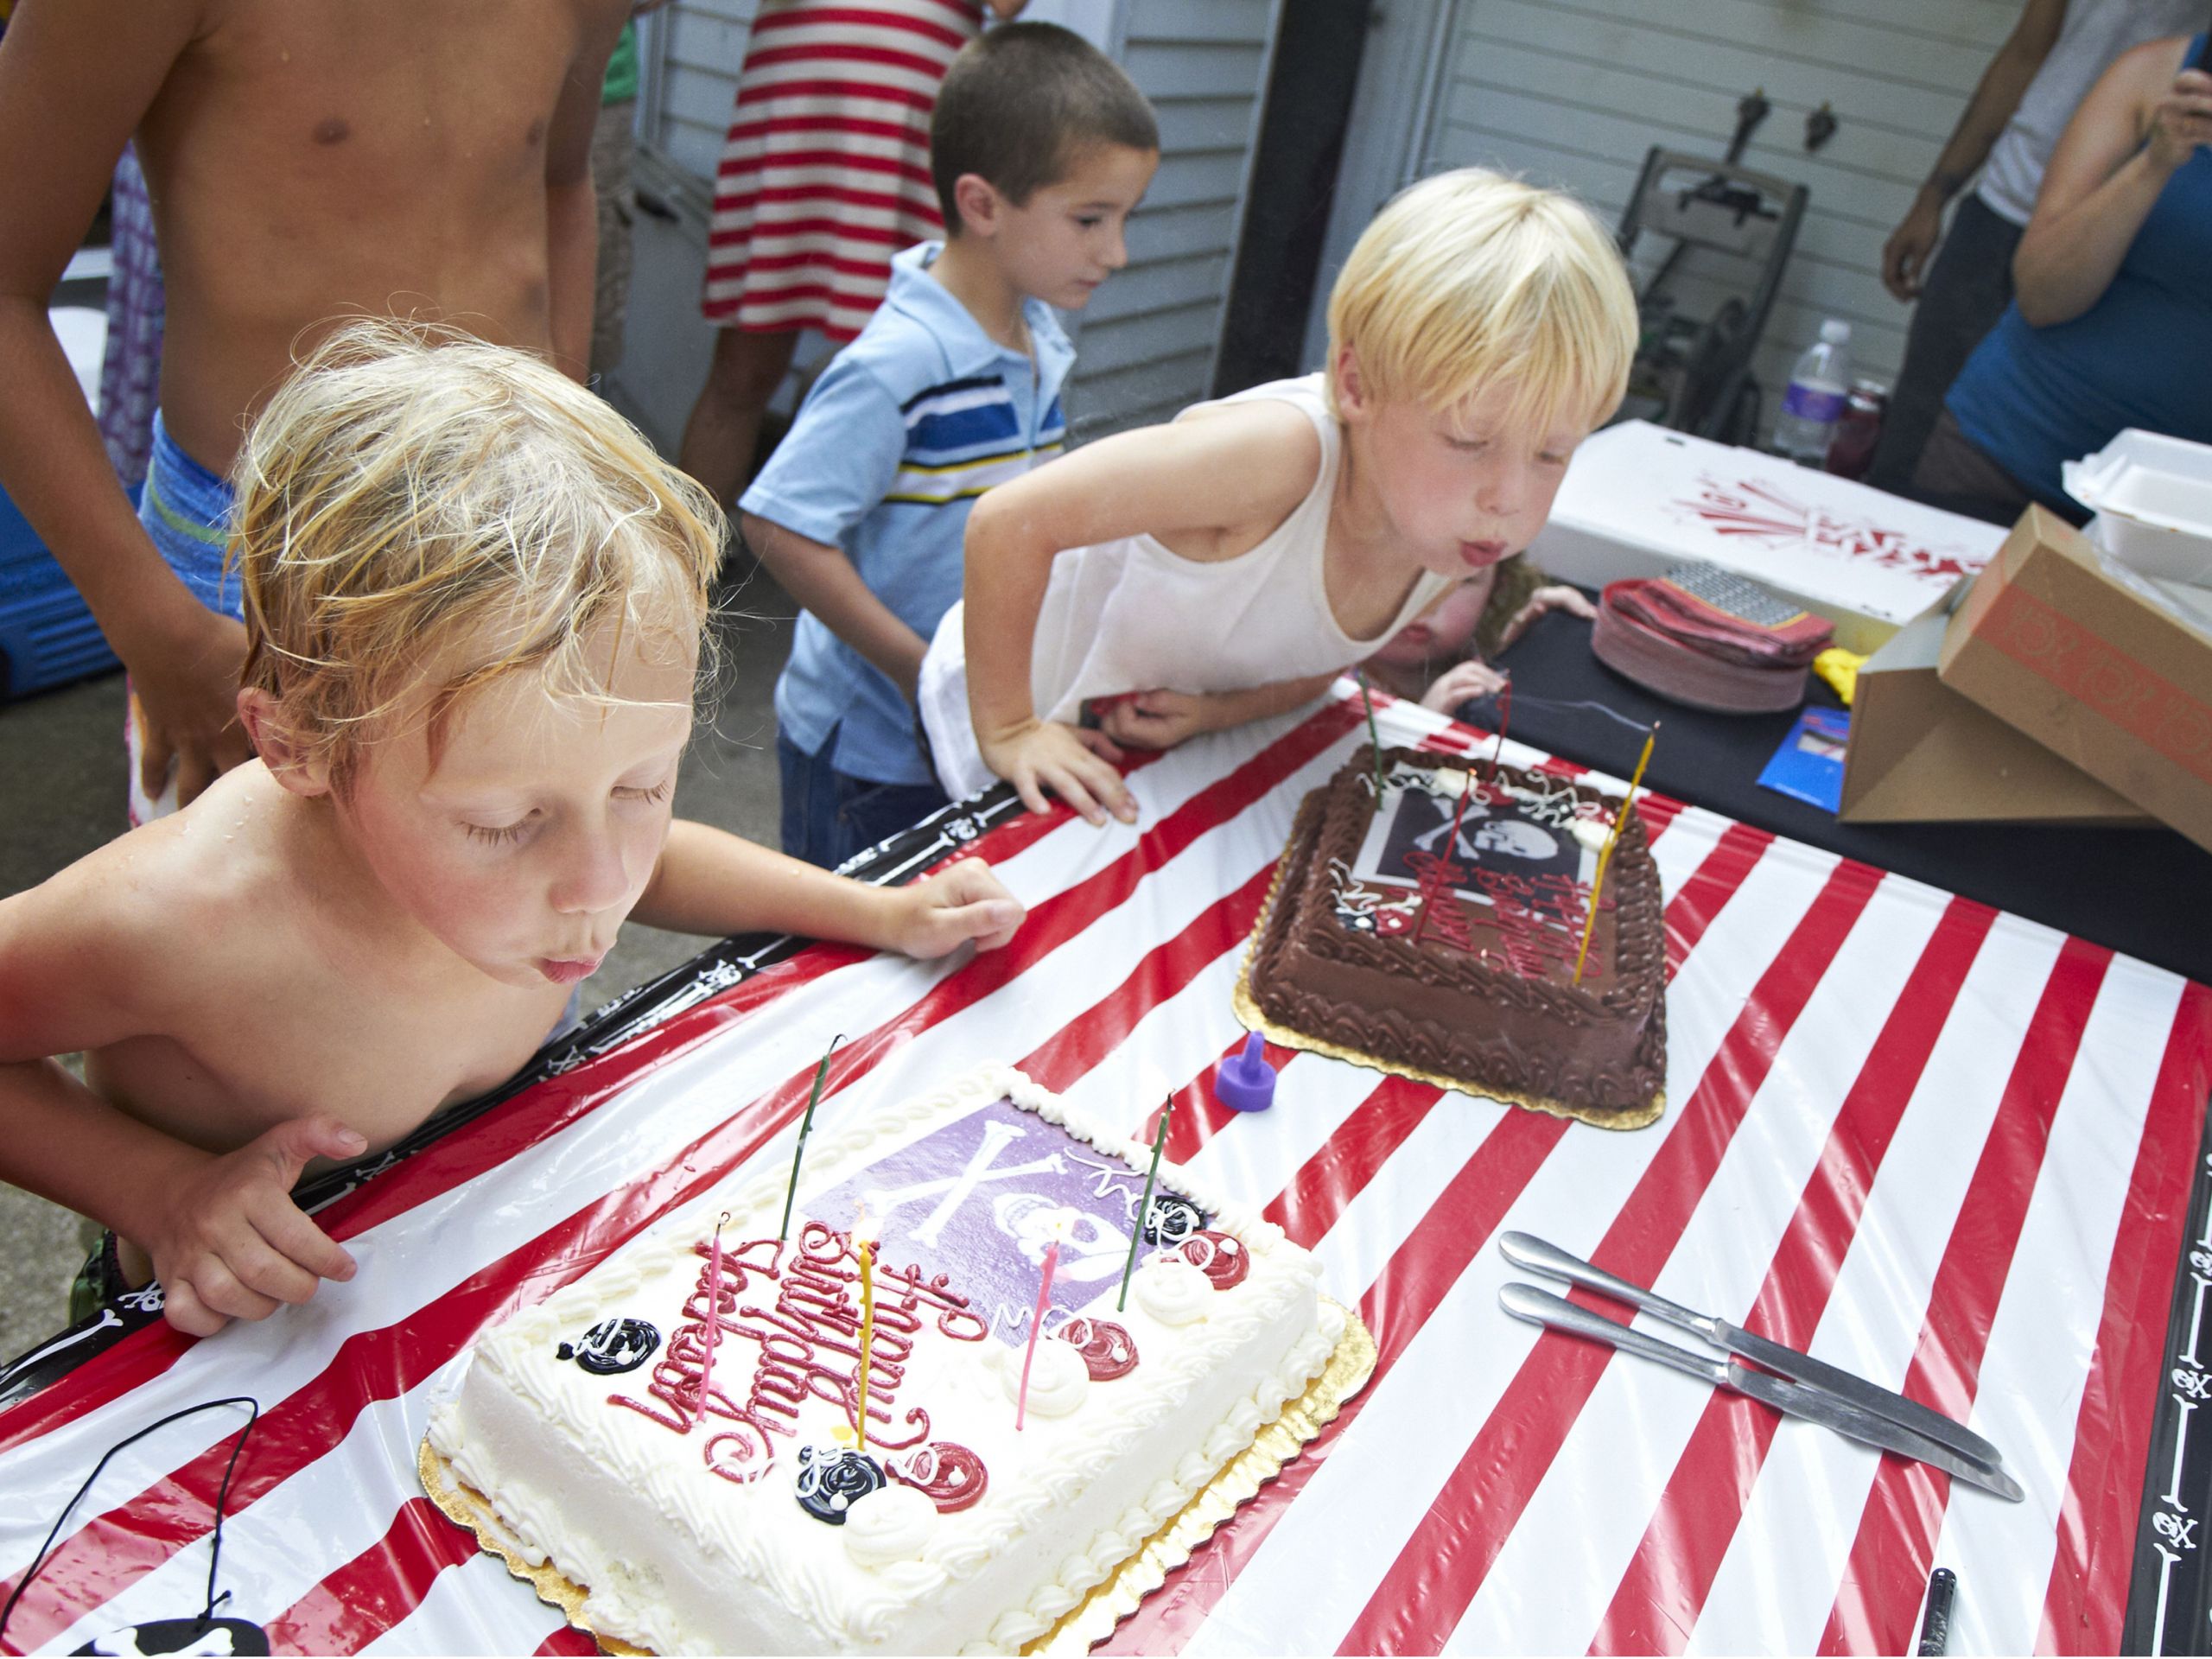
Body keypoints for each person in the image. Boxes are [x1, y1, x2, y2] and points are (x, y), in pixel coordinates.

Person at [0, 323, 1027, 1338]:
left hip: (465, 1261)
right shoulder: (181, 919)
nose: (601, 883)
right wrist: (162, 1194)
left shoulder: (568, 841)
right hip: (224, 1325)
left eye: (641, 785)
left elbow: (653, 858)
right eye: (503, 824)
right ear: (300, 744)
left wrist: (878, 910)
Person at [0, 0, 632, 823]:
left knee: (505, 913)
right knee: (238, 934)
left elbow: (556, 182)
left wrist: (569, 465)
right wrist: (160, 632)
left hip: (512, 538)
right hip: (249, 568)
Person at [915, 168, 1638, 827]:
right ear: (1355, 386)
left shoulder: (1450, 529)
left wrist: (1216, 713)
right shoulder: (1272, 459)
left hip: (1113, 754)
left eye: (1552, 452)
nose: (1509, 499)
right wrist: (1008, 728)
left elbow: (1320, 657)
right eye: (1467, 440)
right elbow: (1011, 519)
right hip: (983, 723)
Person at [739, 23, 1157, 868]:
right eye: (1088, 219)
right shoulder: (901, 363)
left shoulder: (1037, 337)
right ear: (981, 204)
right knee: (859, 948)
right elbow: (778, 525)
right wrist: (916, 669)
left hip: (965, 714)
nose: (1116, 253)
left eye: (1123, 219)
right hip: (868, 747)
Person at [677, 0, 1028, 510]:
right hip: (800, 89)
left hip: (916, 100)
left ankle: (865, 579)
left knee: (909, 370)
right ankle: (679, 569)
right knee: (743, 369)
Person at [1869, 0, 2204, 495]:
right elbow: (2026, 52)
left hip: (2154, 223)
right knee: (1918, 433)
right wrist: (1935, 194)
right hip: (2014, 199)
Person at [1360, 556, 1594, 714]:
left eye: (1462, 579)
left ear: (1496, 590)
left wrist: (1526, 651)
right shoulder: (1326, 683)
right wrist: (1423, 728)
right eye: (1399, 568)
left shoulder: (1477, 658)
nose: (1426, 602)